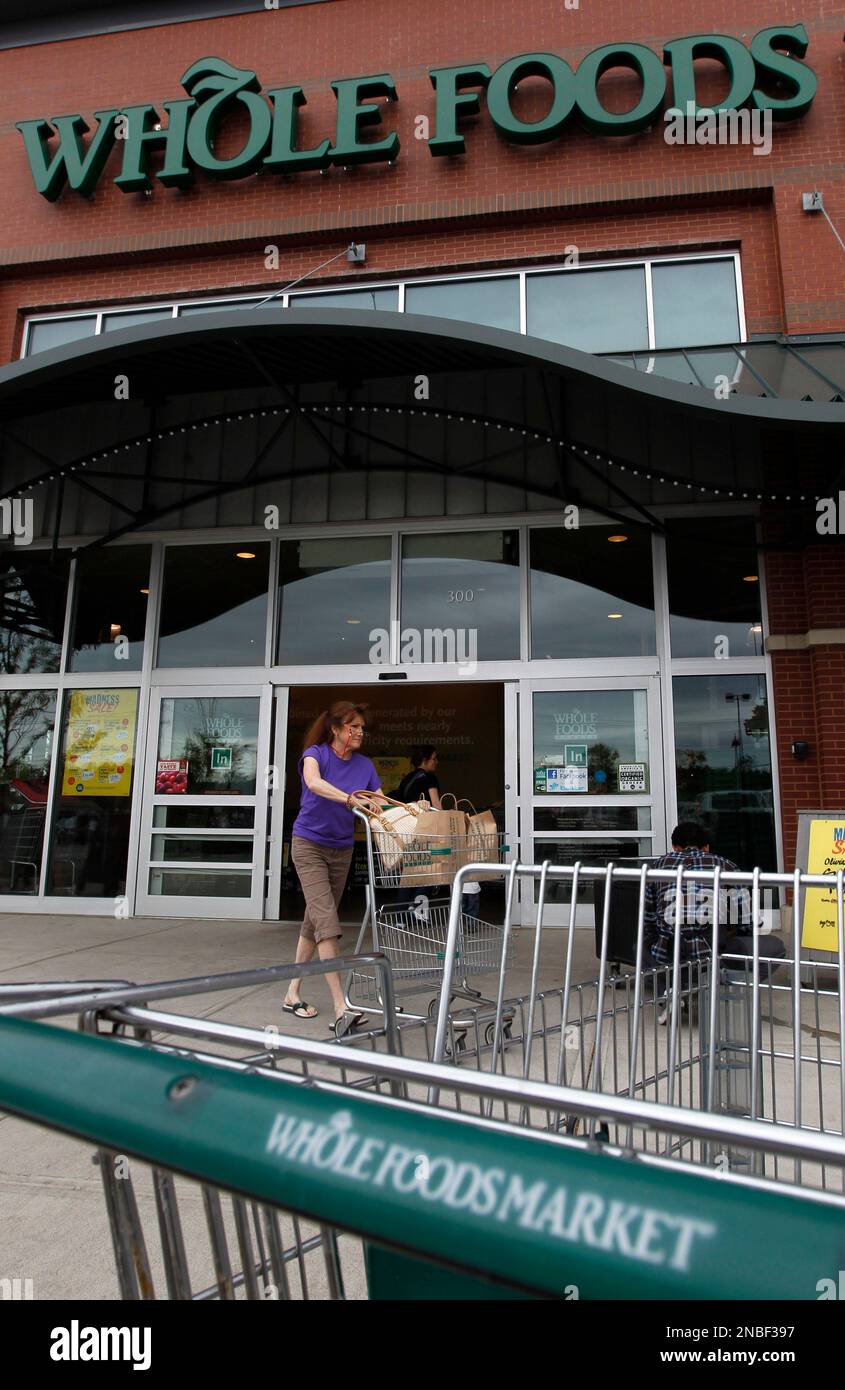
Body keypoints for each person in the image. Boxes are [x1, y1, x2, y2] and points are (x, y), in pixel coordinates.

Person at [283, 701, 382, 1038]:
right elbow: (314, 784)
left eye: (362, 728)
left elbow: (379, 801)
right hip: (308, 845)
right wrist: (351, 800)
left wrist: (411, 809)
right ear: (336, 729)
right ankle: (341, 1006)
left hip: (341, 850)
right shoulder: (316, 755)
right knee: (328, 923)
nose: (359, 733)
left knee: (315, 921)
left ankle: (291, 992)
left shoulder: (365, 765)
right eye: (353, 727)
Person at [643, 820, 782, 969]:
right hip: (712, 953)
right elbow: (747, 921)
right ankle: (727, 981)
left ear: (675, 848)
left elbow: (648, 920)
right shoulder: (725, 866)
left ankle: (673, 980)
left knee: (639, 947)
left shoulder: (657, 866)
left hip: (667, 955)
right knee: (776, 946)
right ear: (706, 848)